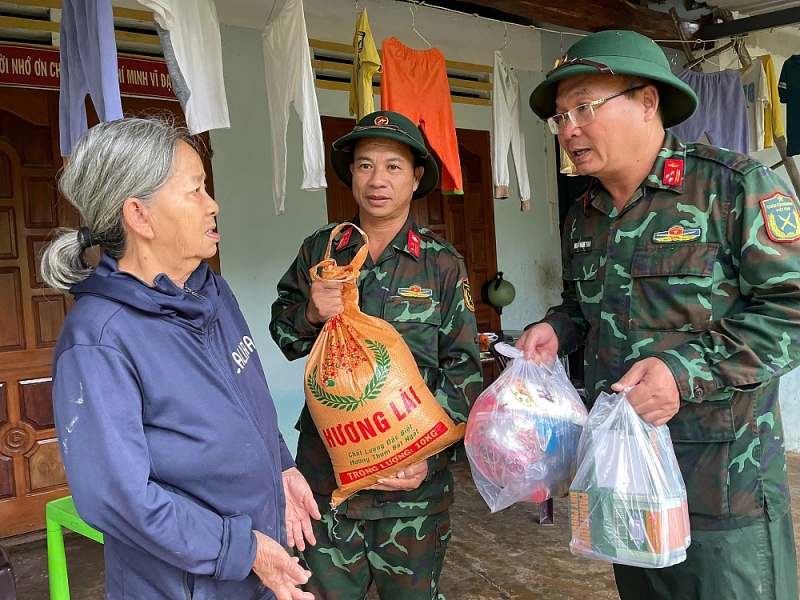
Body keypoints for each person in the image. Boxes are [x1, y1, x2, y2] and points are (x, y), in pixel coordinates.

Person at [521, 29, 800, 600]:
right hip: (622, 477)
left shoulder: (731, 187)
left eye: (584, 107)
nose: (569, 129)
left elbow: (792, 307)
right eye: (560, 116)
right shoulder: (586, 215)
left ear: (648, 103)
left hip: (723, 483)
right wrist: (556, 327)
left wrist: (683, 373)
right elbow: (585, 306)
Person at [42, 118, 320, 600]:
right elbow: (120, 499)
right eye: (194, 191)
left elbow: (246, 396)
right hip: (184, 585)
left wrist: (281, 466)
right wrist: (241, 550)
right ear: (140, 216)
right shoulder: (100, 339)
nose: (213, 205)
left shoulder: (209, 290)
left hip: (255, 564)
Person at [270, 110, 482, 599]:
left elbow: (465, 372)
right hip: (328, 485)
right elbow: (284, 336)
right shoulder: (321, 251)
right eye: (365, 166)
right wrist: (311, 314)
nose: (377, 180)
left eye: (392, 166)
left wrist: (428, 459)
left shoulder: (442, 264)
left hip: (412, 496)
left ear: (416, 178)